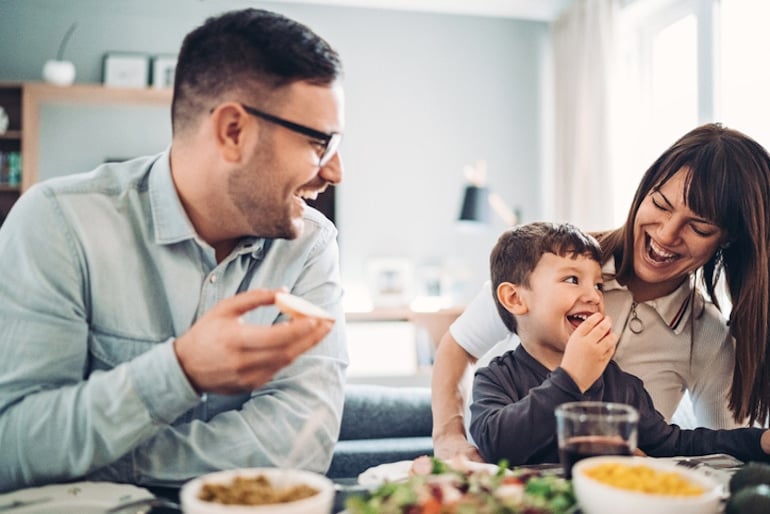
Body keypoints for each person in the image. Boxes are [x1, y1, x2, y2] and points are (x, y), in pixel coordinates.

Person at [0, 8, 348, 492]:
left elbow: (301, 442)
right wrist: (179, 370)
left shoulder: (311, 244)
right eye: (319, 143)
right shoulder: (58, 223)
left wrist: (99, 461)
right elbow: (14, 443)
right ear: (232, 131)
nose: (334, 172)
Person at [433, 123, 770, 461]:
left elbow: (709, 456)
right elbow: (459, 346)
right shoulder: (552, 263)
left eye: (699, 227)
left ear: (726, 239)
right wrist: (449, 436)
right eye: (660, 204)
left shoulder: (702, 342)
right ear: (644, 190)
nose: (667, 234)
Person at [469, 222, 770, 466]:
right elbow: (499, 446)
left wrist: (757, 441)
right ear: (515, 298)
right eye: (572, 280)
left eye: (598, 285)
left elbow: (674, 443)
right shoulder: (496, 378)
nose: (593, 296)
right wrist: (571, 378)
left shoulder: (620, 386)